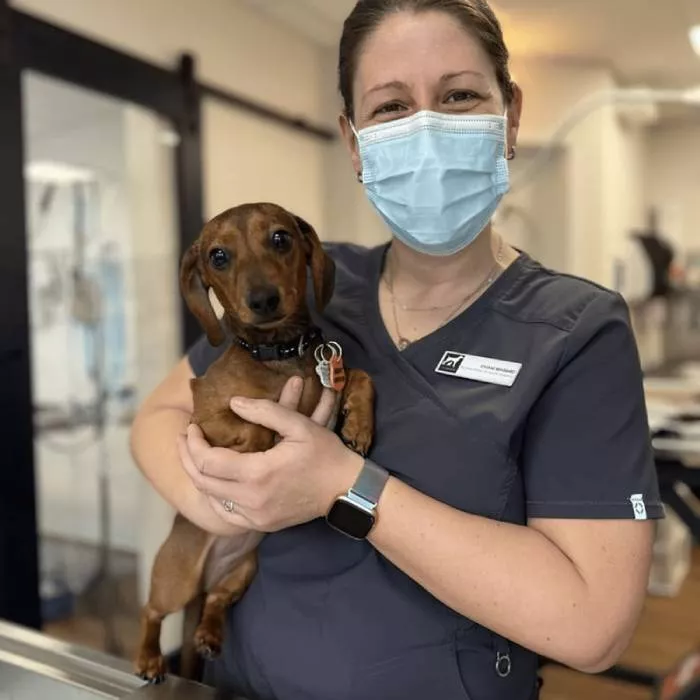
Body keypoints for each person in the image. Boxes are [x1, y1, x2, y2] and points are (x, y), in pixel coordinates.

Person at [130, 1, 663, 698]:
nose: (427, 129)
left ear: (510, 116)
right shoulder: (316, 288)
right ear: (353, 143)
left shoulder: (577, 330)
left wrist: (341, 486)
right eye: (390, 107)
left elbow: (594, 626)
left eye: (459, 96)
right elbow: (155, 421)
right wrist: (231, 508)